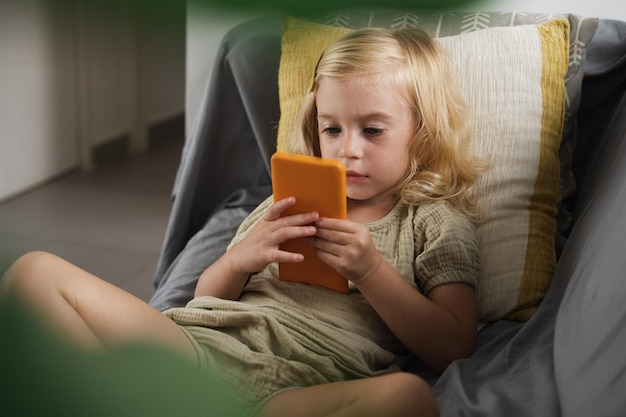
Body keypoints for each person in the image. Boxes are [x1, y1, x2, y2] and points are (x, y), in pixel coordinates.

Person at [0, 27, 484, 417]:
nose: (347, 149)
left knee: (408, 399)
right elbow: (205, 299)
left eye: (372, 130)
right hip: (196, 349)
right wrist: (239, 259)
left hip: (293, 387)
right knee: (33, 273)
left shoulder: (433, 219)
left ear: (421, 134)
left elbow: (453, 345)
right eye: (332, 128)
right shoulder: (289, 200)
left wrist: (372, 271)